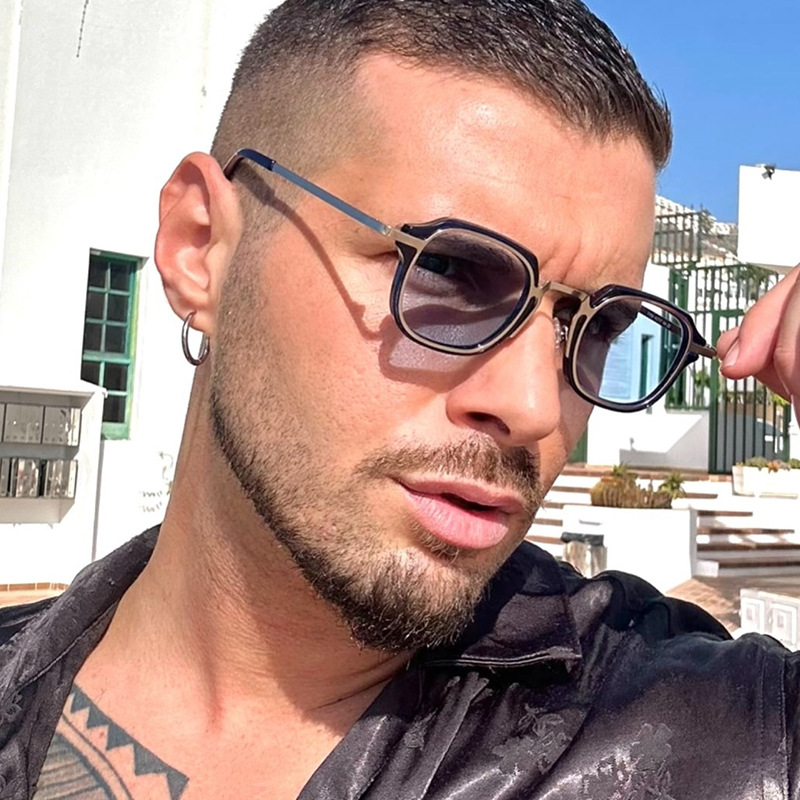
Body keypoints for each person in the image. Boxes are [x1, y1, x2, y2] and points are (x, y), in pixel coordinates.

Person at [1, 0, 799, 798]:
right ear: (202, 246)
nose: (533, 406)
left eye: (597, 327)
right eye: (447, 272)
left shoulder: (704, 735)